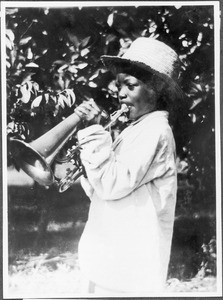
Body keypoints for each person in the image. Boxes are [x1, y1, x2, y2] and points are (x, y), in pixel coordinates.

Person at [74, 37, 182, 295]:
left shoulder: (155, 130)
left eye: (130, 86)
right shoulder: (136, 129)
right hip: (115, 251)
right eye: (119, 85)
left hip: (131, 262)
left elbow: (111, 185)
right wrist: (86, 159)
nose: (120, 93)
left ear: (157, 91)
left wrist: (93, 133)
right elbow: (102, 191)